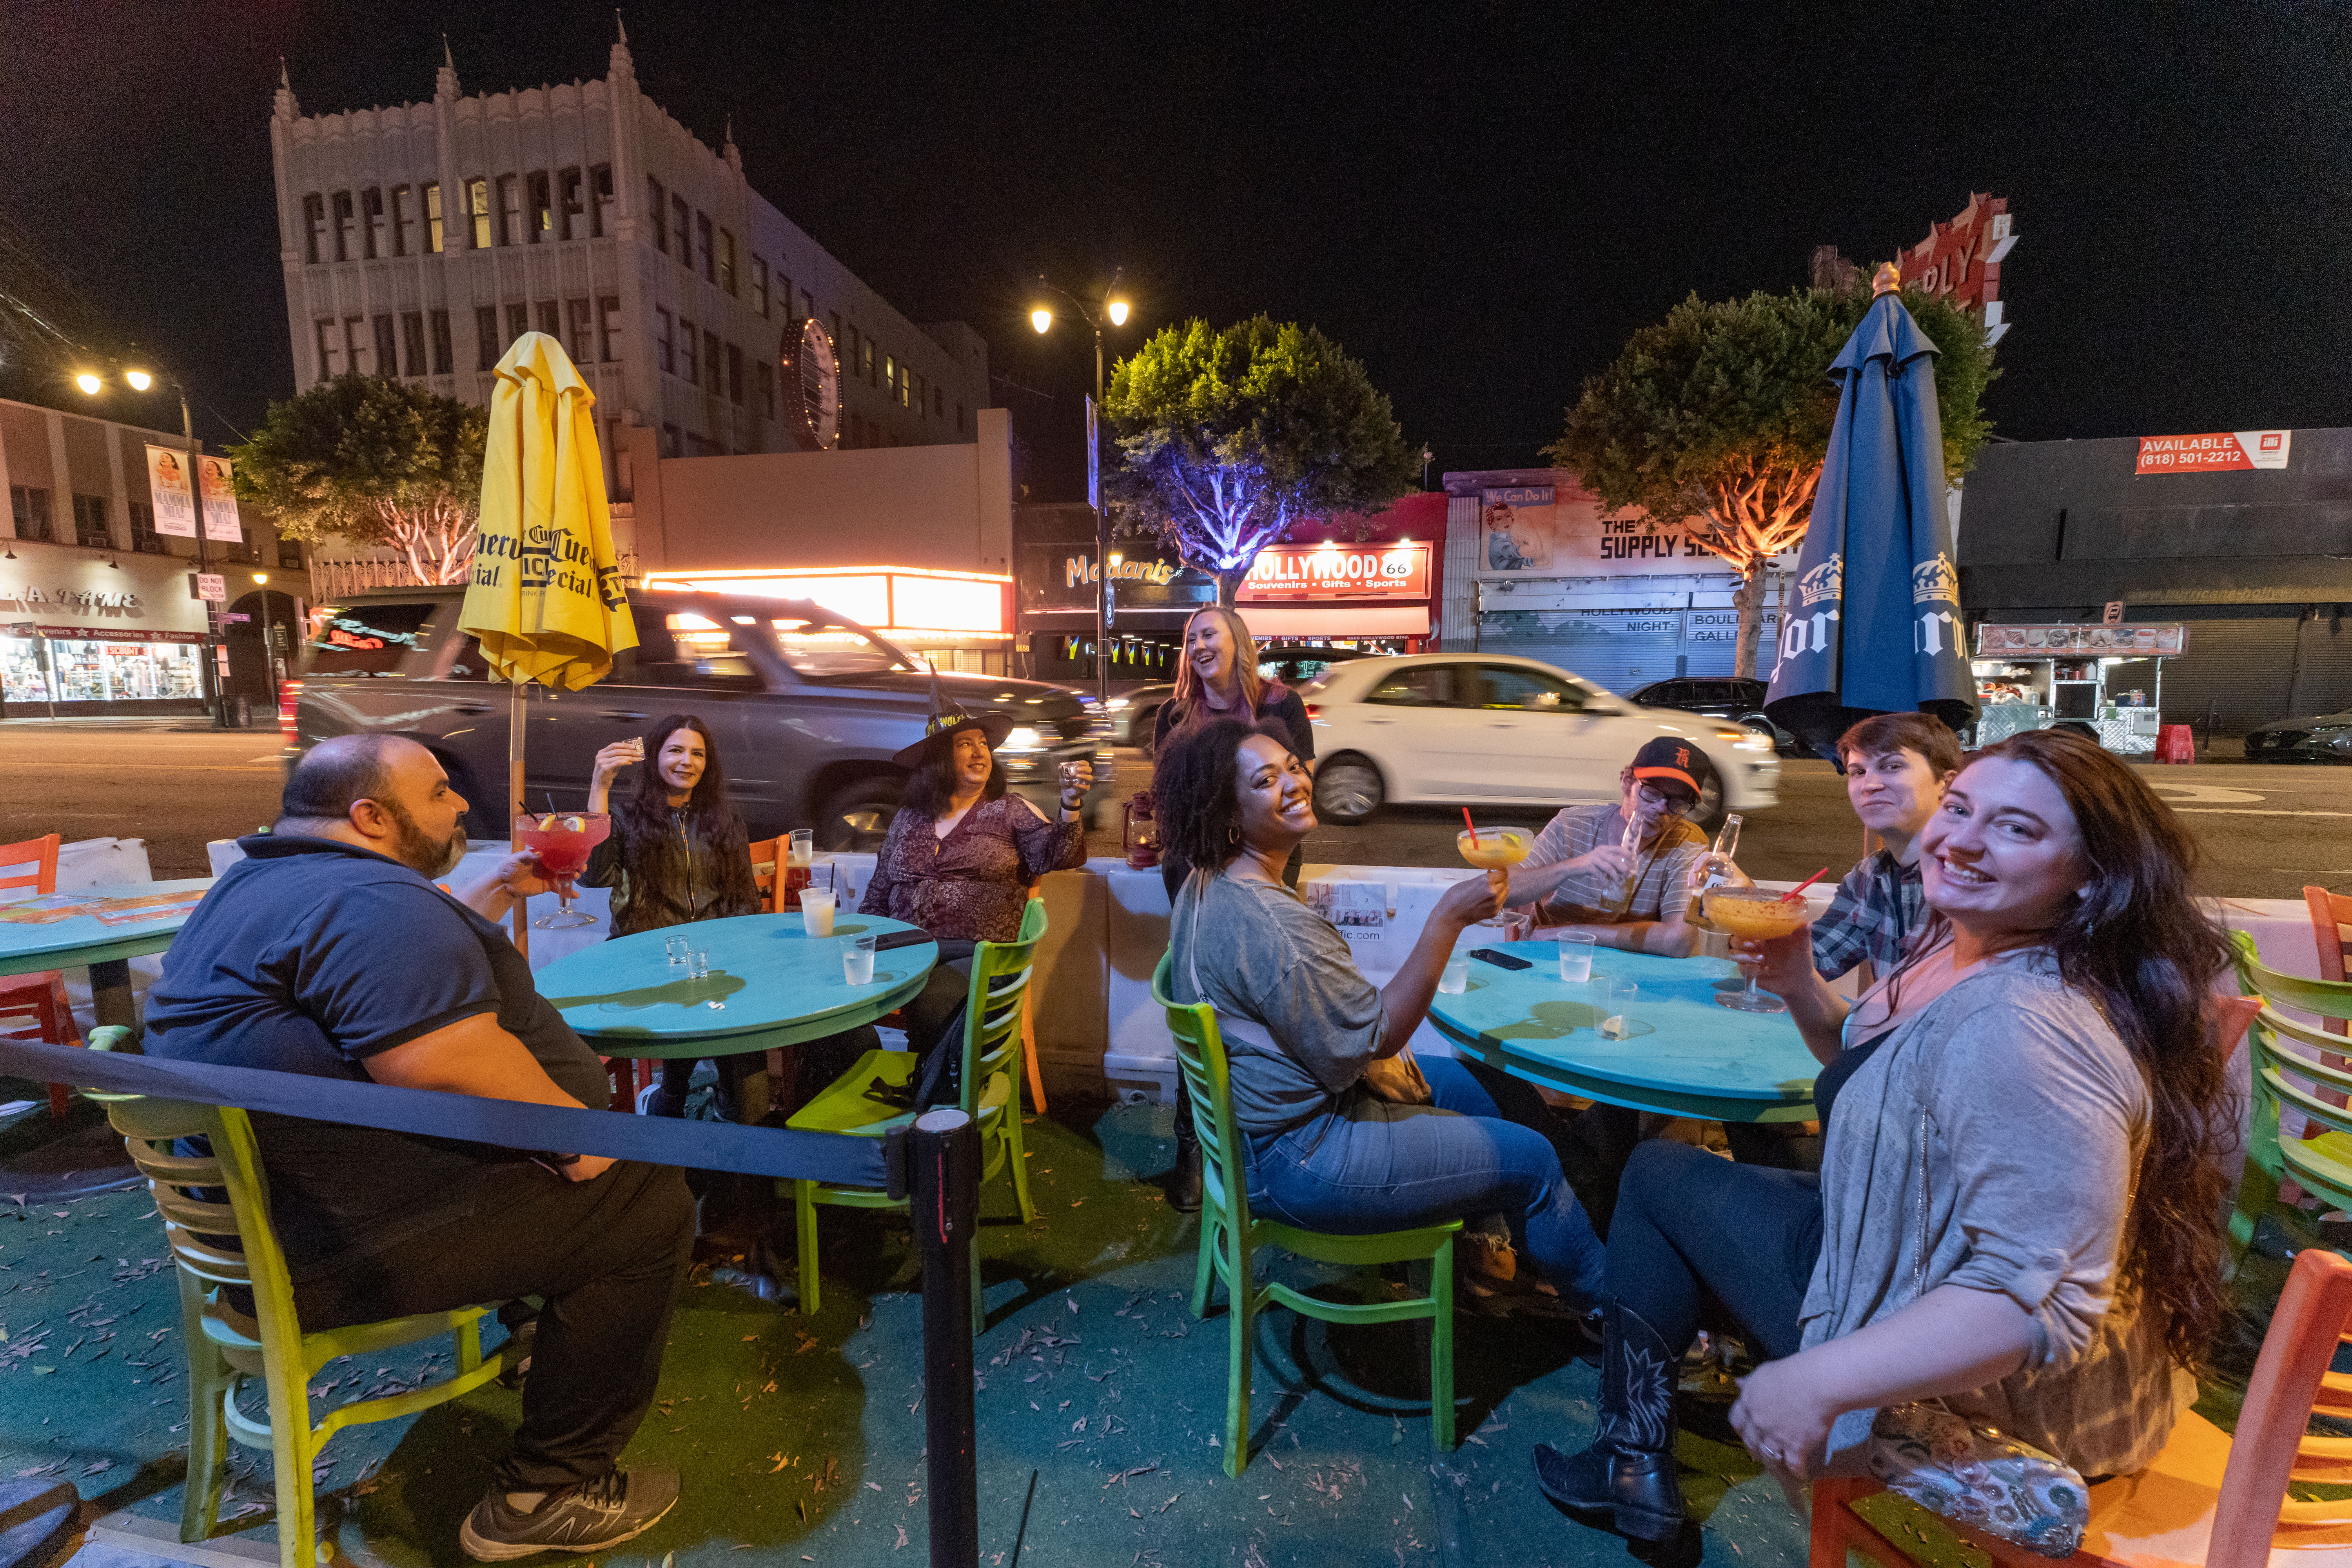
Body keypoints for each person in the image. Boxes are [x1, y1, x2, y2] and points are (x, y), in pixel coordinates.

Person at [1532, 730, 2236, 1551]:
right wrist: (1799, 980)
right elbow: (1872, 1071)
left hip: (1997, 1381)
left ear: (2092, 876)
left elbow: (2032, 1300)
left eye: (2017, 828)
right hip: (1900, 1240)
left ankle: (1630, 1459)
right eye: (1964, 807)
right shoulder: (1959, 937)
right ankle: (1634, 1456)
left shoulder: (2028, 1025)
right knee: (1668, 1179)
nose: (1963, 837)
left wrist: (1817, 1376)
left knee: (1654, 1178)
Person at [143, 735, 692, 1561]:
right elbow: (440, 1060)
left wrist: (489, 894)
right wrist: (584, 1141)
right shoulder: (369, 899)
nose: (462, 803)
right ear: (371, 815)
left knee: (593, 1182)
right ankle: (544, 1492)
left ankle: (547, 1331)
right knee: (647, 1200)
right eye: (438, 793)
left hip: (266, 1224)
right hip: (339, 1244)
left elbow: (379, 969)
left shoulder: (265, 882)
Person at [1161, 717, 1608, 1313]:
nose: (1295, 782)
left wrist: (1360, 1056)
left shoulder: (1206, 882)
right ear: (1229, 814)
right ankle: (1614, 1311)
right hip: (1304, 1155)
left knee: (1487, 1085)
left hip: (1272, 1126)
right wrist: (1449, 917)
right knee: (1533, 1160)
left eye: (1294, 766)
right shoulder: (1272, 923)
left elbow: (1319, 1025)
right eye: (1267, 780)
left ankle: (1504, 1246)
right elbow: (1380, 1035)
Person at [798, 678, 1090, 1108]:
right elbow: (880, 890)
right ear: (938, 759)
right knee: (823, 998)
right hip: (903, 945)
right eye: (964, 744)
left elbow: (1061, 854)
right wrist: (857, 944)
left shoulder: (1010, 809)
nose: (979, 753)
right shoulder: (908, 818)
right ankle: (844, 1101)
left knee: (934, 995)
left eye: (983, 744)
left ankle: (931, 1107)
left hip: (973, 951)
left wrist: (1070, 804)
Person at [1154, 606, 1315, 1210]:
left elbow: (1299, 789)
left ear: (1237, 642)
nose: (1196, 645)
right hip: (1192, 872)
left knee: (1256, 1006)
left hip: (1264, 866)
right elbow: (1165, 799)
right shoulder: (1176, 715)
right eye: (1190, 637)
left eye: (1207, 634)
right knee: (1198, 1007)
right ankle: (1192, 1147)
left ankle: (1262, 1138)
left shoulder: (1280, 706)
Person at [579, 715, 765, 1121]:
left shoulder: (725, 819)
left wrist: (741, 952)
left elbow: (744, 898)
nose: (687, 761)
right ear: (654, 758)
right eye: (676, 750)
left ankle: (691, 1104)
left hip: (713, 959)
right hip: (646, 956)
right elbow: (594, 876)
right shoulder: (627, 819)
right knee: (710, 1012)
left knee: (745, 1028)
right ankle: (690, 1107)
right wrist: (600, 785)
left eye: (698, 753)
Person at [1501, 737, 1716, 957]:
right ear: (1626, 781)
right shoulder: (1572, 824)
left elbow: (1679, 942)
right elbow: (1505, 892)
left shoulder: (1688, 843)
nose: (1662, 807)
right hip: (1549, 958)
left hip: (1626, 969)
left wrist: (1569, 933)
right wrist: (1575, 866)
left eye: (1678, 802)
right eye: (1652, 792)